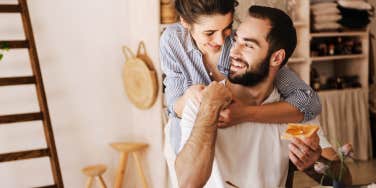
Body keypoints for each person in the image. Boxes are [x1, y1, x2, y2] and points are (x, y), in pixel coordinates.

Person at [164, 6, 352, 187]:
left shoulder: (291, 119)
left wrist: (314, 163)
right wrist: (209, 108)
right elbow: (188, 183)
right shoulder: (203, 104)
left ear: (277, 58)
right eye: (236, 41)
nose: (232, 51)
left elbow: (344, 179)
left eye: (248, 45)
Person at [160, 0, 322, 153]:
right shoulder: (173, 40)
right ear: (185, 23)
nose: (221, 40)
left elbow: (309, 102)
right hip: (193, 141)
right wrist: (188, 98)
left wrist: (245, 113)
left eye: (228, 27)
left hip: (241, 138)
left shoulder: (245, 53)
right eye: (209, 33)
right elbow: (175, 108)